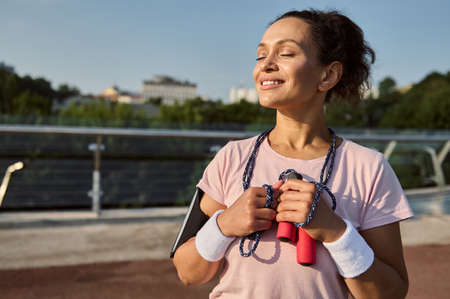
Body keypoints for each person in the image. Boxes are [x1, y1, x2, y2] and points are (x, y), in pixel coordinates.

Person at [172, 9, 413, 298]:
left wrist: (336, 232)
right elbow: (188, 273)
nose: (267, 65)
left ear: (328, 75)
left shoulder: (369, 167)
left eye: (285, 53)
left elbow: (392, 292)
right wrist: (224, 225)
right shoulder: (232, 157)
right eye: (261, 55)